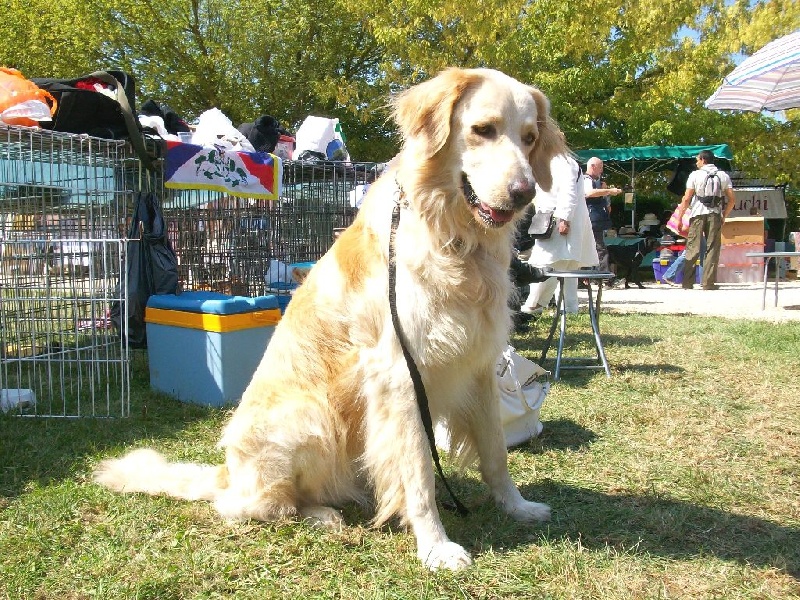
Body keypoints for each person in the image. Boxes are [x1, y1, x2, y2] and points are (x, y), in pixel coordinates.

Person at [520, 152, 598, 315]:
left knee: (547, 264)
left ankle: (535, 305)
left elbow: (568, 191)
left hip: (559, 221)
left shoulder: (564, 162)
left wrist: (565, 218)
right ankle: (567, 307)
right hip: (552, 218)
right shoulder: (549, 160)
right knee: (564, 266)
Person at [675, 150, 735, 290]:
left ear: (703, 160)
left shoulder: (695, 175)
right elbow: (732, 200)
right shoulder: (723, 175)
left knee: (692, 247)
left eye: (697, 160)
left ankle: (687, 282)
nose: (696, 162)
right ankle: (708, 283)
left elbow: (686, 199)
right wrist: (724, 215)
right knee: (712, 248)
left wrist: (680, 218)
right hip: (715, 214)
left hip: (697, 214)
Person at [584, 157, 623, 287]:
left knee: (596, 248)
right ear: (593, 166)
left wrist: (605, 194)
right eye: (600, 167)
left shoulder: (598, 182)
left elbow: (604, 201)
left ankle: (595, 277)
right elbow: (589, 193)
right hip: (590, 219)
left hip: (597, 219)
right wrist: (609, 191)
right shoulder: (586, 180)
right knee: (600, 248)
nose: (601, 171)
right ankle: (605, 278)